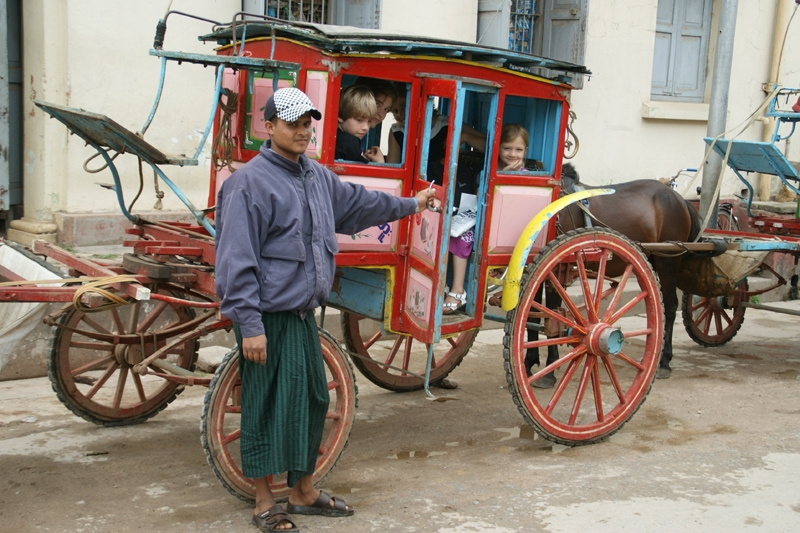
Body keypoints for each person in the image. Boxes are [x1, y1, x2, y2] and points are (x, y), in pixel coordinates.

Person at [215, 87, 436, 532]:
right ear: (270, 126)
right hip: (267, 318)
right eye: (292, 122)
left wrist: (414, 204)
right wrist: (250, 325)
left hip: (302, 316)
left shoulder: (315, 177)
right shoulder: (248, 184)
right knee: (263, 406)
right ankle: (264, 501)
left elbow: (360, 204)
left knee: (313, 400)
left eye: (307, 123)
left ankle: (302, 491)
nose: (302, 130)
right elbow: (236, 260)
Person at [335, 85, 385, 163]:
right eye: (359, 120)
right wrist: (380, 163)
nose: (365, 127)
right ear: (340, 116)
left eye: (369, 121)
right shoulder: (350, 142)